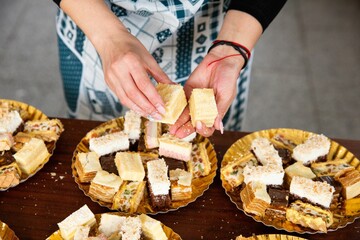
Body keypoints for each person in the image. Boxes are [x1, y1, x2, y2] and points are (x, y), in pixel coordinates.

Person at [53, 0, 286, 137]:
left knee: (205, 145)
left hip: (220, 24)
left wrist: (231, 49)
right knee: (99, 139)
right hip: (94, 16)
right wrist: (108, 36)